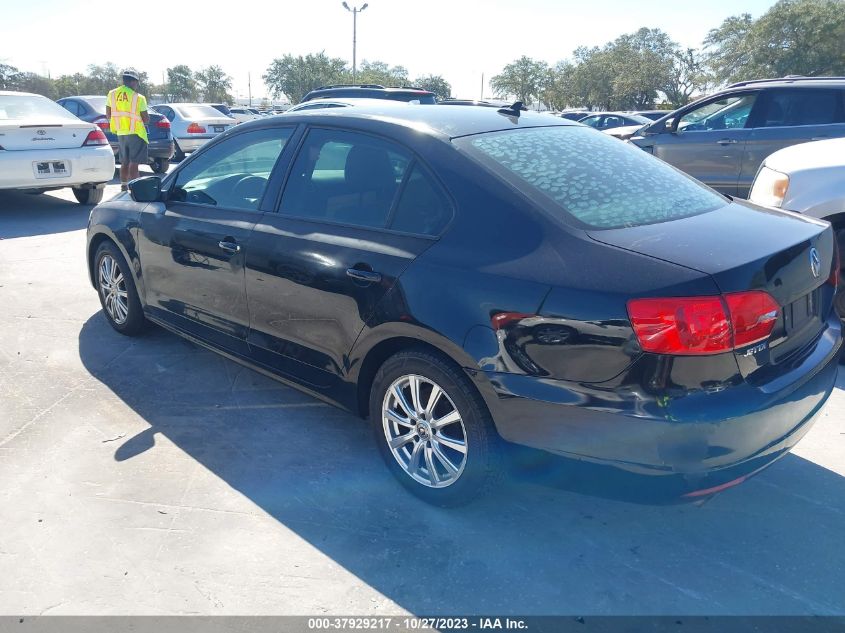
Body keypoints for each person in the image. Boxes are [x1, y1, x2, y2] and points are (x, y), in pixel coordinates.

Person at [106, 69, 149, 191]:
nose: (137, 85)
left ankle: (124, 187)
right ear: (133, 81)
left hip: (121, 133)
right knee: (134, 163)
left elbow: (108, 115)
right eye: (137, 83)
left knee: (124, 162)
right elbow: (145, 119)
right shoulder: (138, 98)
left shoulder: (112, 94)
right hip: (136, 133)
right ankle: (137, 189)